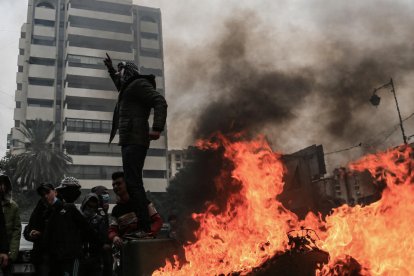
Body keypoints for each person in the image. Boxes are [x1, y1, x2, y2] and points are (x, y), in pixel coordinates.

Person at [104, 55, 167, 235]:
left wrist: (157, 128)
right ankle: (143, 226)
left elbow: (160, 101)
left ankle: (144, 226)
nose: (119, 74)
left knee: (133, 183)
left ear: (129, 72)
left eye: (121, 71)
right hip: (130, 139)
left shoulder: (138, 85)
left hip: (135, 139)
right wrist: (110, 70)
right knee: (133, 182)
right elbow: (120, 86)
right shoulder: (129, 88)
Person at [34, 182, 96, 276]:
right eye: (43, 194)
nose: (46, 196)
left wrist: (78, 248)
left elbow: (88, 231)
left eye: (47, 192)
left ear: (55, 192)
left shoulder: (69, 208)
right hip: (55, 261)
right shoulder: (46, 214)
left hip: (71, 260)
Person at [109, 172, 162, 247]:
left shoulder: (144, 202)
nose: (115, 187)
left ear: (127, 184)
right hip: (128, 249)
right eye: (113, 185)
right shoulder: (115, 210)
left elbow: (158, 221)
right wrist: (115, 237)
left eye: (118, 184)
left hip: (147, 246)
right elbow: (112, 230)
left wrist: (150, 234)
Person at [79, 193, 106, 276]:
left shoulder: (99, 219)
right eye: (89, 206)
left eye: (93, 207)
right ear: (84, 205)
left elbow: (101, 239)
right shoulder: (78, 218)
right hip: (79, 257)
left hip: (95, 258)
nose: (90, 209)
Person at [0, 175, 21, 276]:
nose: (2, 188)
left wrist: (11, 254)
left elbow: (16, 231)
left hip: (7, 253)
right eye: (1, 185)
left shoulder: (13, 206)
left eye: (5, 185)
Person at [91, 186, 112, 276]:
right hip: (99, 250)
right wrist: (102, 244)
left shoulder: (103, 210)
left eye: (107, 193)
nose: (107, 196)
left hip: (106, 249)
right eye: (104, 193)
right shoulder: (93, 210)